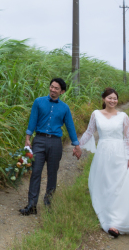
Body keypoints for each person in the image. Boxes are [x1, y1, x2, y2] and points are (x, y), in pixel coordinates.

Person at [78, 88, 129, 238]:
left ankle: (117, 221)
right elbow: (89, 132)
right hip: (103, 154)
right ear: (104, 99)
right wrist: (78, 145)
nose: (112, 101)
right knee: (105, 184)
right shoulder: (96, 114)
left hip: (120, 153)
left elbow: (128, 138)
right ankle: (108, 215)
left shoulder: (123, 116)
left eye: (115, 98)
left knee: (120, 185)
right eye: (110, 98)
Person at [19, 77, 82, 215]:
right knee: (35, 172)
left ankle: (48, 202)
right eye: (51, 87)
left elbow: (70, 127)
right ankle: (32, 205)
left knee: (52, 173)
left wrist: (76, 145)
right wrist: (28, 138)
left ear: (62, 92)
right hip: (39, 141)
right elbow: (32, 120)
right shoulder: (39, 102)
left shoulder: (64, 108)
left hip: (55, 142)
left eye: (56, 88)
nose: (53, 90)